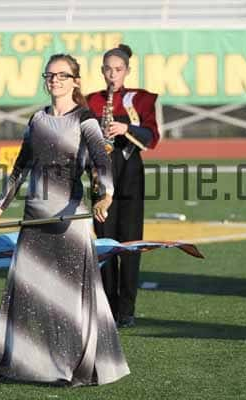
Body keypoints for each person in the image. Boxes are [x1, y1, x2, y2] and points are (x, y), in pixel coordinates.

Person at [0, 54, 130, 386]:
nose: (55, 80)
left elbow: (100, 164)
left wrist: (106, 195)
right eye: (50, 75)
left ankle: (76, 367)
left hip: (69, 220)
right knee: (23, 290)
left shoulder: (85, 120)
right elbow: (19, 169)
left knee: (71, 297)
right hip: (35, 216)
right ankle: (2, 365)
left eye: (63, 75)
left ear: (75, 80)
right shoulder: (37, 120)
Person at [86, 44, 160, 328]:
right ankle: (107, 308)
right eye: (108, 69)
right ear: (102, 71)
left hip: (129, 172)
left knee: (129, 244)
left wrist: (126, 129)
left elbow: (153, 137)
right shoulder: (91, 101)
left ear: (127, 71)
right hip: (100, 177)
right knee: (104, 245)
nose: (112, 74)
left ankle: (127, 310)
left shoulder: (139, 99)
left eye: (118, 69)